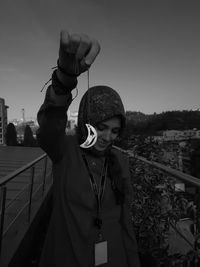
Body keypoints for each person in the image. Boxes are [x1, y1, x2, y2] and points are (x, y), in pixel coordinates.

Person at [37, 30, 141, 267]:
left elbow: (125, 223)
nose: (107, 137)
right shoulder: (65, 150)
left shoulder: (119, 161)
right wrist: (64, 80)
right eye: (101, 127)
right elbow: (49, 127)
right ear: (86, 122)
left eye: (114, 131)